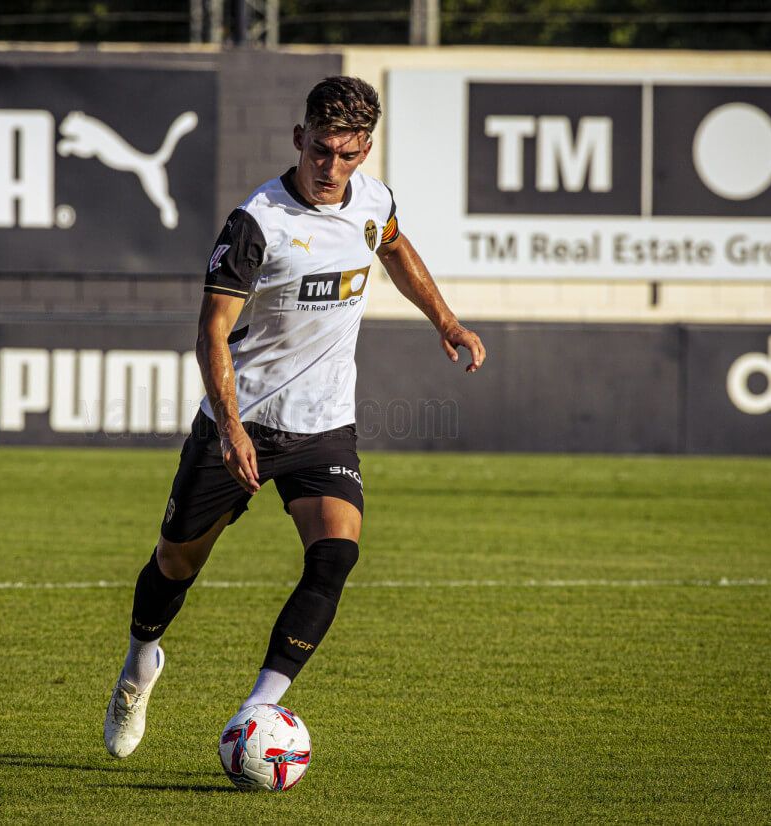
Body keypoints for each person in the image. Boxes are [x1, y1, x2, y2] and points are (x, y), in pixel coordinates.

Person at [104, 76, 486, 759]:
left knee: (335, 554)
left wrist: (446, 320)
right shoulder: (258, 222)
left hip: (323, 426)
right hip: (242, 422)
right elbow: (211, 332)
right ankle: (139, 664)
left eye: (346, 155)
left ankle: (258, 710)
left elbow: (394, 247)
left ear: (365, 151)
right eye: (319, 151)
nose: (330, 168)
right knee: (175, 563)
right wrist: (230, 429)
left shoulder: (374, 201)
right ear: (298, 139)